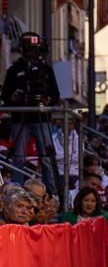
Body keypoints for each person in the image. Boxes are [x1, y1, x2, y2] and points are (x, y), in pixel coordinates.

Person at [0, 32, 61, 195]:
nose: (32, 51)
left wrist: (48, 99)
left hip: (42, 117)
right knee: (18, 157)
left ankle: (51, 193)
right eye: (29, 47)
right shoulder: (14, 70)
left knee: (47, 158)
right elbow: (5, 96)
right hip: (20, 118)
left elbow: (56, 95)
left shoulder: (46, 70)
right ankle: (17, 192)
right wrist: (13, 97)